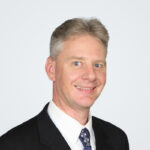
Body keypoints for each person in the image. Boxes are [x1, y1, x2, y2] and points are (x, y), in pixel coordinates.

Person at [0, 18, 129, 150]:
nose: (91, 75)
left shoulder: (117, 139)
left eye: (98, 65)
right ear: (51, 69)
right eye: (77, 63)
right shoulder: (12, 145)